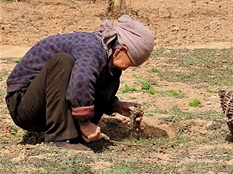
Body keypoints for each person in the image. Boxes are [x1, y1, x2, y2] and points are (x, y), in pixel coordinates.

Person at [5, 14, 154, 151]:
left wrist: (114, 105)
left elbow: (92, 84)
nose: (129, 68)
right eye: (131, 63)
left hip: (48, 107)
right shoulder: (90, 48)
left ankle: (70, 133)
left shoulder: (105, 55)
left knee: (111, 71)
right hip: (24, 105)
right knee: (63, 61)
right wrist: (84, 123)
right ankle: (59, 138)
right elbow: (80, 83)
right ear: (120, 50)